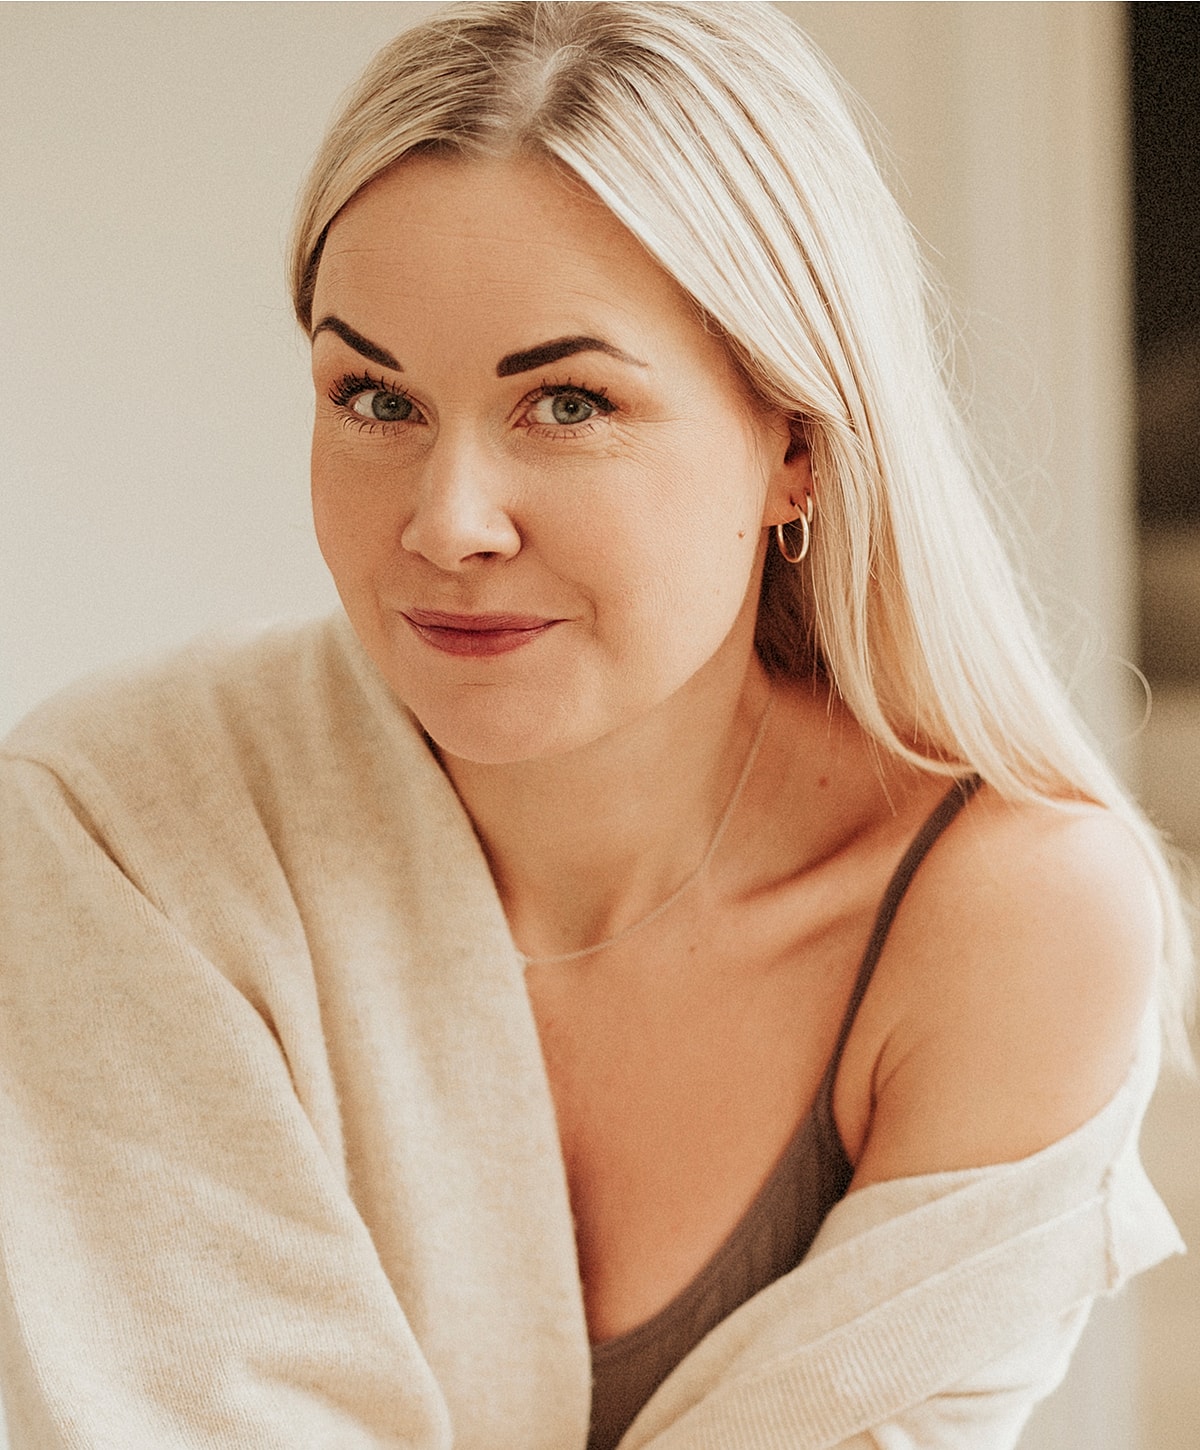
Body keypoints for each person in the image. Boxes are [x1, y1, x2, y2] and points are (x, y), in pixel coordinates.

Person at [0, 3, 1187, 1447]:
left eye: (567, 401)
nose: (446, 523)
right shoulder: (111, 829)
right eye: (373, 396)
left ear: (796, 446)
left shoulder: (1006, 920)